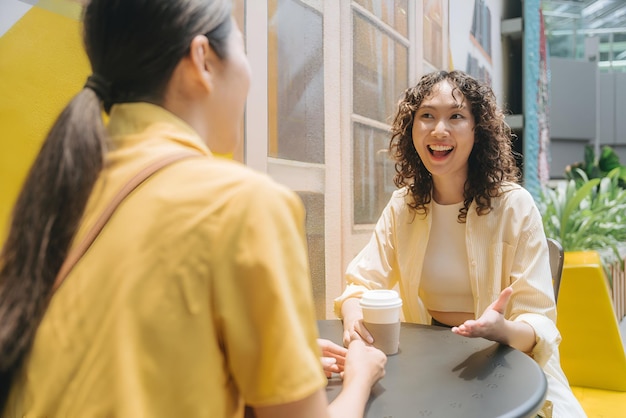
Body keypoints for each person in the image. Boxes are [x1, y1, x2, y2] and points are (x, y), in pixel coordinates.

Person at [0, 1, 387, 417]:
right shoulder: (244, 205)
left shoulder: (65, 190)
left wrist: (278, 357)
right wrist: (361, 375)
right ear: (202, 59)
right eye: (243, 48)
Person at [334, 70, 586, 418]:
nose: (439, 130)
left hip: (508, 364)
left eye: (456, 116)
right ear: (412, 130)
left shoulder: (515, 206)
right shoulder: (403, 206)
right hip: (426, 367)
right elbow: (360, 283)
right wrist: (352, 311)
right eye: (427, 116)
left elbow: (538, 322)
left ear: (476, 130)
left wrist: (502, 330)